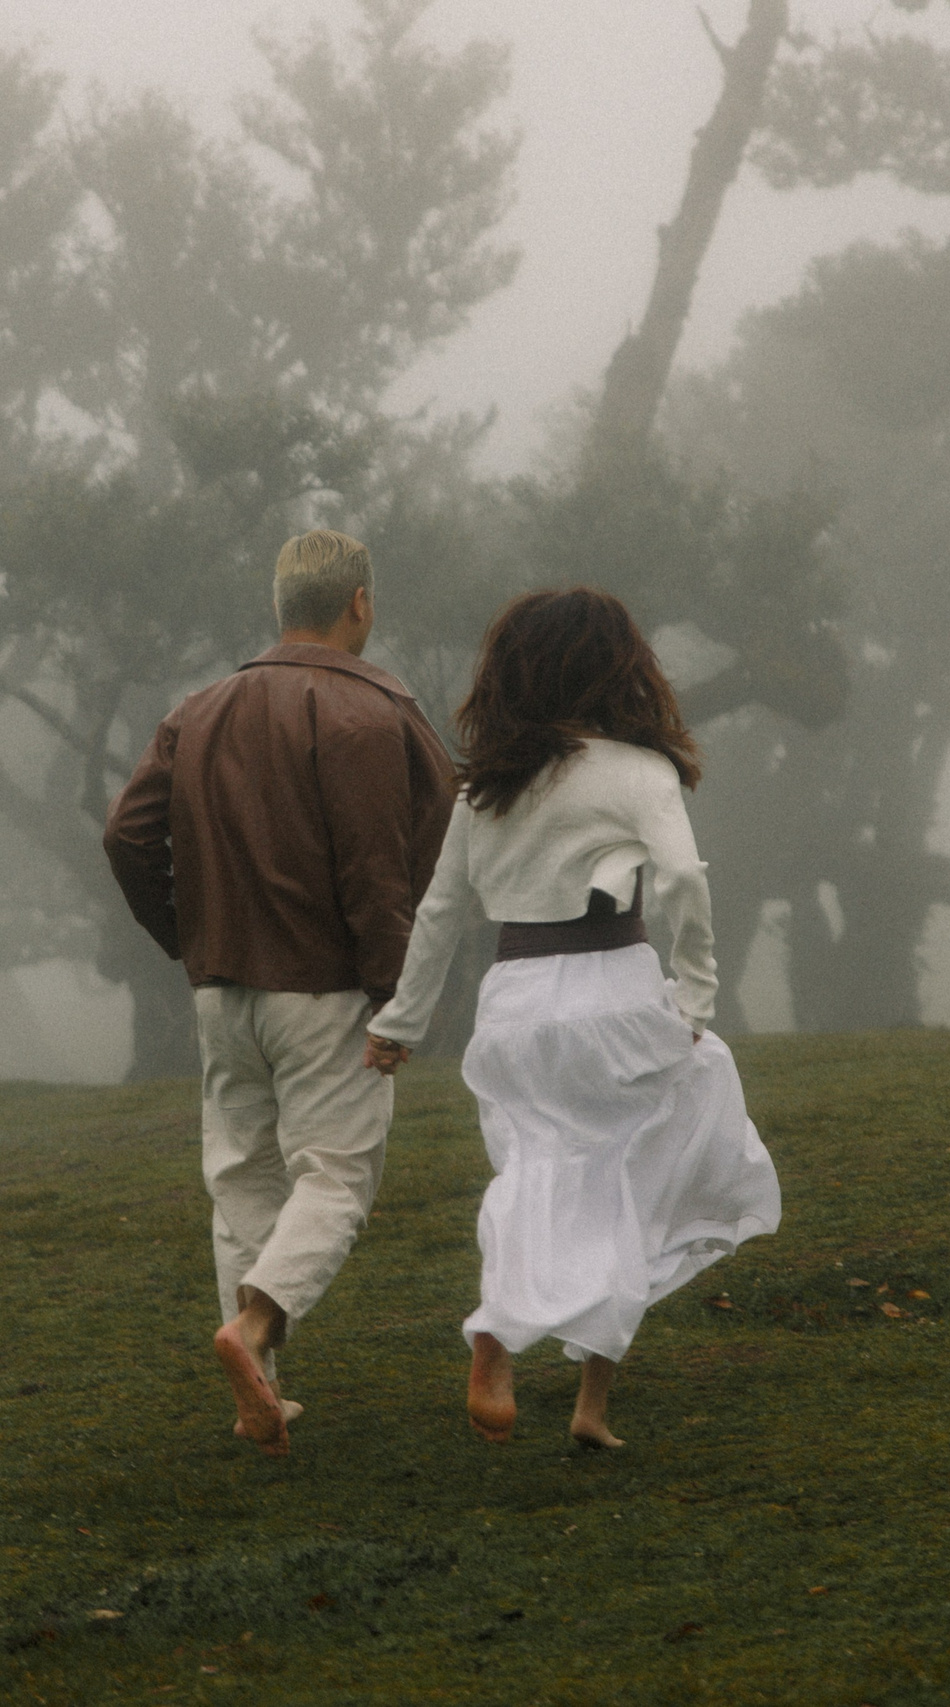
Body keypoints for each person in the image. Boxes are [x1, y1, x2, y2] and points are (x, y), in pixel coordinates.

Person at [363, 587, 780, 1449]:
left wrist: (399, 1023)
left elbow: (438, 912)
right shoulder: (638, 770)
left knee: (541, 1168)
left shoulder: (486, 791)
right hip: (612, 989)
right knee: (653, 1143)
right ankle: (535, 1354)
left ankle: (556, 1382)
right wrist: (695, 994)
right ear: (622, 667)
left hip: (515, 1004)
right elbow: (684, 881)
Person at [103, 529, 454, 1457]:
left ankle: (261, 1391)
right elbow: (388, 867)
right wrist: (397, 994)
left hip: (222, 992)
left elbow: (127, 836)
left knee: (243, 1181)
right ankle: (253, 1332)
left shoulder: (199, 708)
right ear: (361, 604)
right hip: (330, 989)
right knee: (335, 1174)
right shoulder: (378, 713)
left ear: (280, 606)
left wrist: (187, 936)